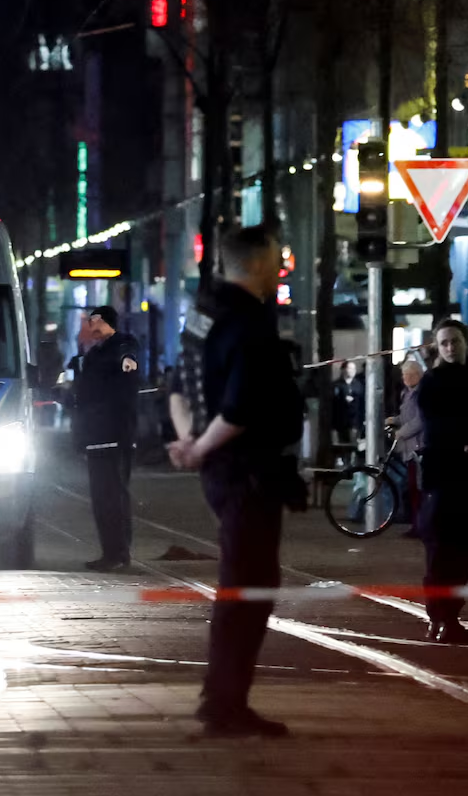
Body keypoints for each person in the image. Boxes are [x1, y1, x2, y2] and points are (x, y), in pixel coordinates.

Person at [166, 225, 306, 738]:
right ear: (260, 262)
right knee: (249, 586)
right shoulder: (251, 324)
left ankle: (223, 699)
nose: (280, 267)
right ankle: (225, 703)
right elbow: (243, 405)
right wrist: (201, 447)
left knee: (242, 583)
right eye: (276, 259)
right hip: (249, 470)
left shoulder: (201, 316)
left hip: (222, 469)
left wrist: (189, 442)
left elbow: (179, 385)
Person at [410, 320, 468, 643]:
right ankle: (440, 616)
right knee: (441, 548)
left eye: (455, 341)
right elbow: (434, 425)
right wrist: (465, 442)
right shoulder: (433, 381)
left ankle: (448, 617)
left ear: (465, 342)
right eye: (445, 343)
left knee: (463, 548)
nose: (450, 347)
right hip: (444, 476)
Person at [73, 305, 142, 571]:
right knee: (101, 497)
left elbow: (128, 354)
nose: (90, 325)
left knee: (114, 495)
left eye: (93, 320)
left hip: (115, 434)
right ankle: (109, 552)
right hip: (95, 436)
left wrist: (127, 359)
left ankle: (120, 553)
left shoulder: (123, 342)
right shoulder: (93, 355)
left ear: (104, 320)